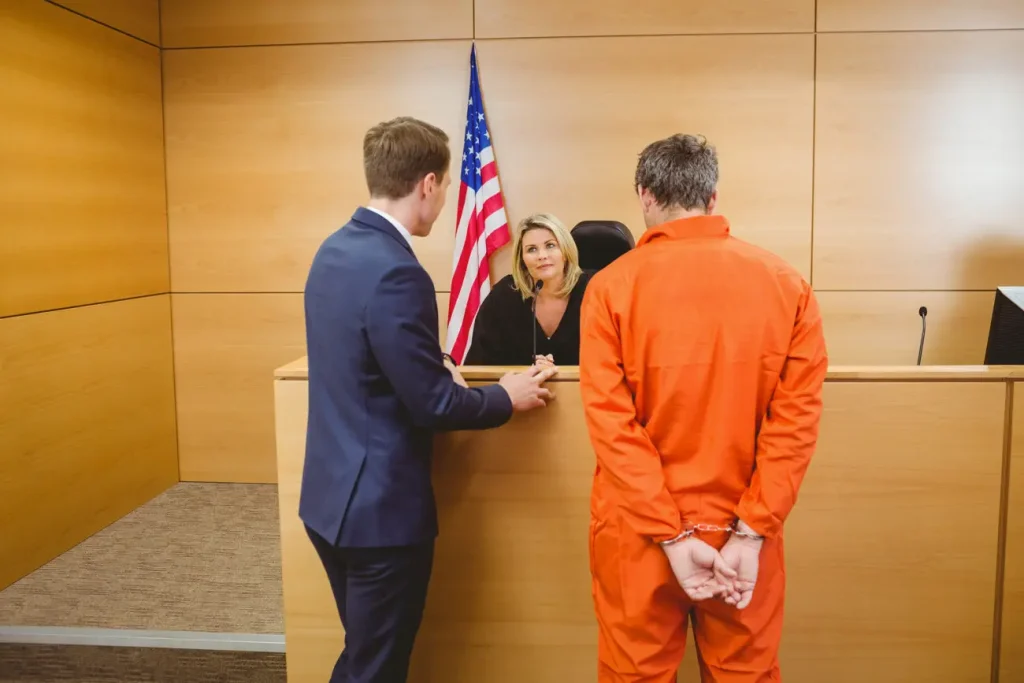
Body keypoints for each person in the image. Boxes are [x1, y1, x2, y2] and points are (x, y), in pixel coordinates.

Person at [300, 116, 557, 683]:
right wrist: (503, 398)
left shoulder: (334, 250)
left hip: (328, 501)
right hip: (379, 518)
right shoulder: (398, 271)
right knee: (373, 669)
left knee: (363, 654)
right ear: (428, 184)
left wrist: (430, 363)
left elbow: (364, 359)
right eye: (444, 191)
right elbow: (434, 407)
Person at [579, 133, 827, 682]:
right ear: (713, 198)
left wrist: (669, 534)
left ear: (644, 196)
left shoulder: (609, 289)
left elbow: (611, 426)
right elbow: (796, 425)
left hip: (638, 536)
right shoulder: (789, 286)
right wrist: (751, 531)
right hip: (741, 532)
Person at [463, 213, 593, 366]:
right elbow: (479, 365)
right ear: (522, 259)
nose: (542, 256)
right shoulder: (504, 296)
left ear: (565, 252)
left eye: (550, 245)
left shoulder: (594, 291)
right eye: (531, 249)